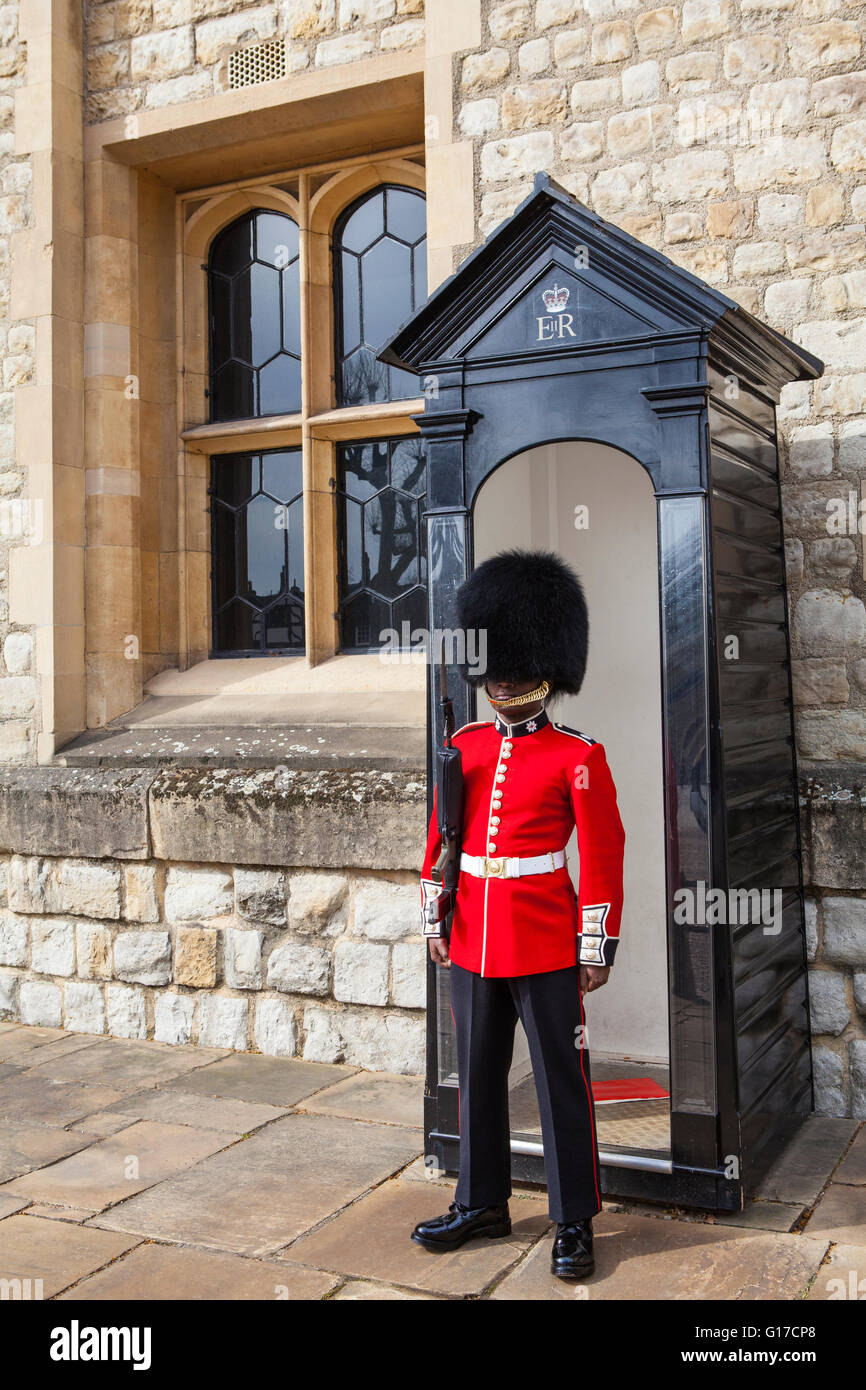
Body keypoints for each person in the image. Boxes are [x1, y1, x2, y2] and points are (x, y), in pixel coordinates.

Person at [411, 548, 626, 1280]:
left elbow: (601, 859)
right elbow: (440, 841)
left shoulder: (579, 758)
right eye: (496, 667)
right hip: (473, 933)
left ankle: (573, 1220)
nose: (503, 680)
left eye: (516, 665)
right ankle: (483, 1202)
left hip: (544, 940)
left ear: (548, 669)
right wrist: (436, 919)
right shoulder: (465, 748)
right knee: (476, 1073)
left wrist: (593, 948)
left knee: (560, 1078)